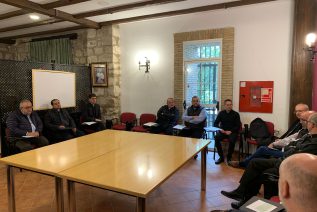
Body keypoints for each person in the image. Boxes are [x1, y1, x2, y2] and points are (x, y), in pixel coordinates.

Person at [221, 112, 317, 209]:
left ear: (312, 124)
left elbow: (293, 153)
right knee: (257, 164)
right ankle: (244, 198)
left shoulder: (313, 142)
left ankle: (242, 195)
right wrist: (290, 148)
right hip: (284, 159)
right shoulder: (307, 135)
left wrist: (290, 149)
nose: (303, 121)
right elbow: (290, 147)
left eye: (307, 121)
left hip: (288, 165)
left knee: (256, 163)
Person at [228, 110, 313, 168]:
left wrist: (277, 143)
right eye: (296, 111)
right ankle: (248, 165)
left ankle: (243, 164)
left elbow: (293, 143)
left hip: (288, 154)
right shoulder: (302, 128)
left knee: (262, 149)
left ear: (310, 122)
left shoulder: (309, 135)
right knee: (262, 152)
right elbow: (290, 138)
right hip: (286, 150)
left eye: (303, 119)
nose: (300, 120)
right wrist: (278, 142)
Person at [213, 99, 241, 164]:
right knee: (216, 138)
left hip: (232, 132)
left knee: (232, 140)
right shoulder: (221, 113)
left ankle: (229, 157)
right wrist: (220, 129)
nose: (229, 106)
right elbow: (215, 123)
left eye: (230, 105)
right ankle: (221, 157)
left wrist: (231, 131)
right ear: (225, 106)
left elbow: (238, 126)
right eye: (227, 105)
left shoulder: (236, 114)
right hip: (223, 131)